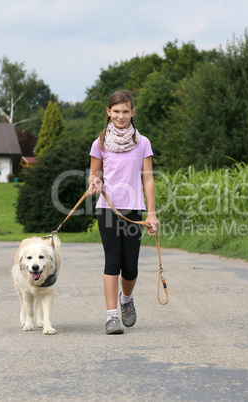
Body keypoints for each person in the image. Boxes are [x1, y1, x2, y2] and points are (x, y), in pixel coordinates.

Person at [88, 90, 159, 334]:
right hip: (107, 208)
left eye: (125, 111)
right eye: (116, 111)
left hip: (134, 210)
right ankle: (111, 317)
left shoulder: (142, 142)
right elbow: (94, 173)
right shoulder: (99, 143)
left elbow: (148, 179)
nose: (121, 116)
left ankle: (126, 299)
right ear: (108, 112)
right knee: (113, 262)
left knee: (130, 268)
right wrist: (95, 182)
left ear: (132, 113)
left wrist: (151, 213)